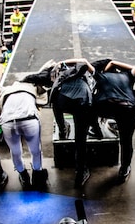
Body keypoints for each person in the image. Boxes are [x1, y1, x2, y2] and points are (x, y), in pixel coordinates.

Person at [25, 59, 97, 188]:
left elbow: (55, 106)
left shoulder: (58, 77)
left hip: (63, 99)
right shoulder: (86, 72)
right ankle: (80, 174)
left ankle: (63, 129)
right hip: (83, 100)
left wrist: (62, 128)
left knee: (57, 105)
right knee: (80, 141)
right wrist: (97, 129)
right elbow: (83, 61)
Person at [0, 78, 48, 191]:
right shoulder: (32, 88)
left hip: (8, 122)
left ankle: (24, 176)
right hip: (29, 119)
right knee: (36, 151)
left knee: (15, 152)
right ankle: (37, 175)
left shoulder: (5, 90)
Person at [95, 60, 135, 183]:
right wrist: (114, 63)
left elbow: (88, 67)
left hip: (107, 106)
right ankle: (125, 168)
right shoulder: (127, 75)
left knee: (90, 106)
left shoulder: (100, 75)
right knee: (126, 140)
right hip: (128, 108)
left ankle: (96, 128)